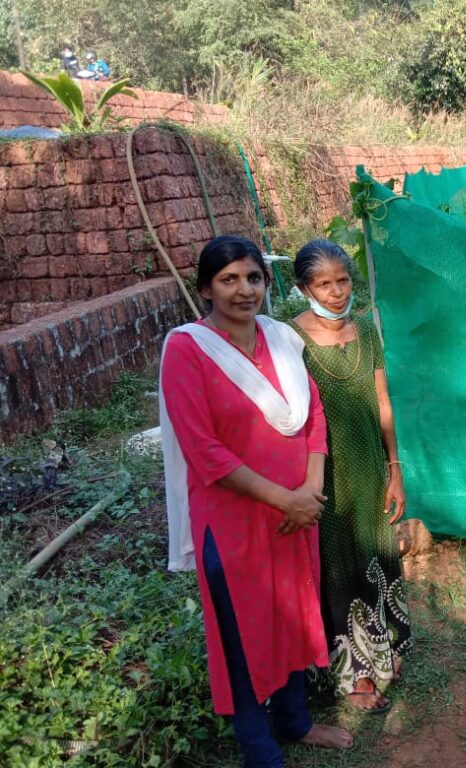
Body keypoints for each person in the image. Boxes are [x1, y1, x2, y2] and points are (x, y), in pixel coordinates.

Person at [159, 235, 352, 767]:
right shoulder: (187, 349)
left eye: (253, 278)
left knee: (291, 616)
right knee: (240, 633)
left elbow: (313, 416)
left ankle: (296, 721)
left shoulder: (281, 337)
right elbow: (204, 452)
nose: (244, 290)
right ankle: (260, 749)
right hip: (234, 521)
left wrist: (308, 491)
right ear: (205, 288)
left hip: (296, 512)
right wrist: (285, 500)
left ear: (267, 283)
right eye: (228, 279)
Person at [289, 239, 412, 713]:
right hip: (322, 472)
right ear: (304, 287)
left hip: (369, 467)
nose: (337, 291)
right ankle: (352, 671)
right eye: (324, 283)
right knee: (336, 563)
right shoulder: (287, 338)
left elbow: (382, 403)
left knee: (375, 549)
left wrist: (394, 468)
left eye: (343, 280)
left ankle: (384, 646)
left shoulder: (365, 330)